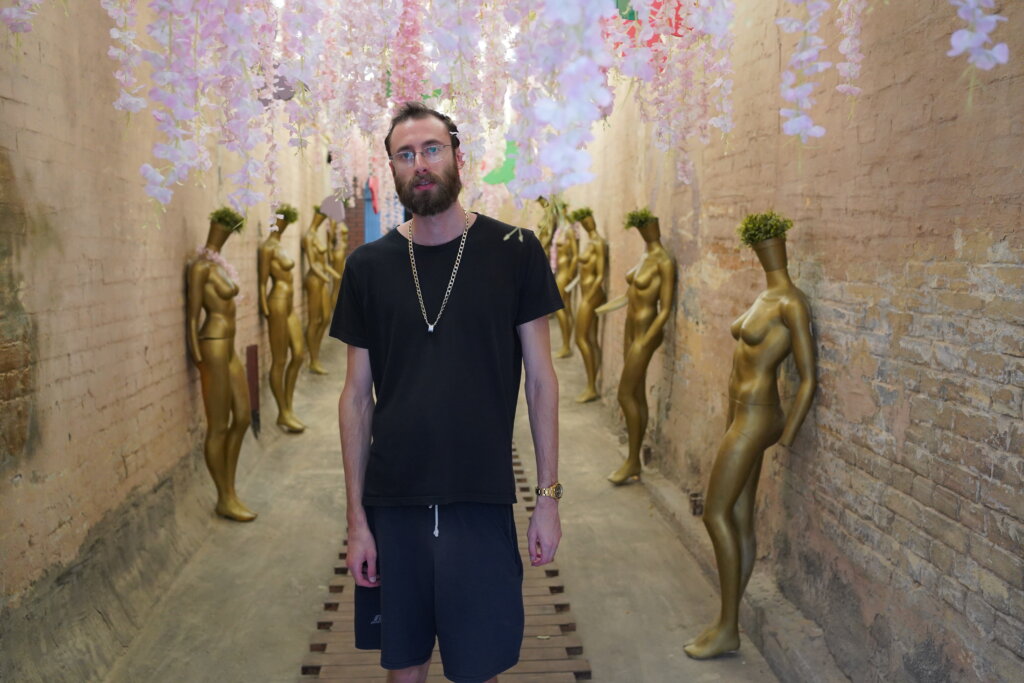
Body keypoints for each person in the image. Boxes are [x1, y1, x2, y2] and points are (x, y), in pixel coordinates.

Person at [331, 101, 563, 683]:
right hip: (394, 502)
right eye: (405, 155)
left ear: (458, 156)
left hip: (480, 500)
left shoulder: (515, 251)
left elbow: (541, 382)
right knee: (403, 669)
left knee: (476, 667)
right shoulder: (368, 267)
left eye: (431, 149)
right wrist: (358, 520)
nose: (420, 164)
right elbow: (356, 397)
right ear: (393, 170)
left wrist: (549, 498)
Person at [684, 231, 816, 659]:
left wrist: (789, 433)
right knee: (739, 516)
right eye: (759, 246)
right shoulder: (764, 297)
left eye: (769, 245)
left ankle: (727, 628)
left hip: (760, 416)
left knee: (714, 512)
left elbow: (809, 377)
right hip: (737, 412)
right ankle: (728, 619)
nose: (764, 252)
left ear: (780, 247)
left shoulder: (791, 302)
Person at [186, 208, 257, 521]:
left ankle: (230, 488)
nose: (225, 236)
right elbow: (191, 315)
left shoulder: (219, 265)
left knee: (242, 417)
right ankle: (224, 496)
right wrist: (196, 355)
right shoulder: (199, 268)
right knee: (219, 425)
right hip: (212, 345)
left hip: (229, 347)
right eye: (222, 230)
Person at [257, 207, 306, 433]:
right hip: (276, 301)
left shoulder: (280, 246)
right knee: (280, 360)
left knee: (298, 353)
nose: (284, 224)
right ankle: (283, 412)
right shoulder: (267, 248)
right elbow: (262, 281)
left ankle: (288, 406)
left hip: (288, 304)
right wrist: (265, 308)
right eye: (281, 220)